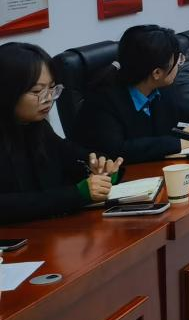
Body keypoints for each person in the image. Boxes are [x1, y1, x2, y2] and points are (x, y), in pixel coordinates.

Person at [0, 43, 123, 224]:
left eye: (52, 88)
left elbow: (74, 156)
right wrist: (77, 194)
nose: (49, 98)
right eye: (37, 91)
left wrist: (102, 168)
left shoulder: (37, 127)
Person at [73, 25, 189, 164]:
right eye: (177, 60)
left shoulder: (164, 88)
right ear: (157, 73)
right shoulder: (103, 100)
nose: (180, 64)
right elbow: (118, 150)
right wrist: (179, 142)